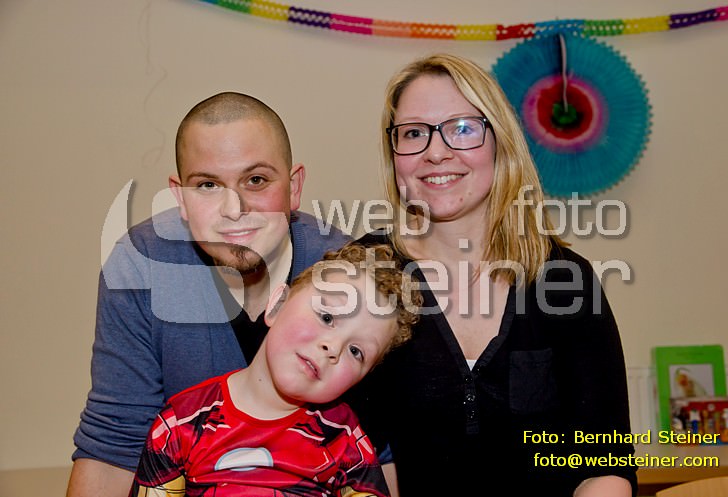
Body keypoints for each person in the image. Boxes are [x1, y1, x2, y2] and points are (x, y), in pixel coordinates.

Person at [346, 54, 636, 496]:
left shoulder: (565, 280)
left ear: (500, 142)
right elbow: (346, 452)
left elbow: (605, 466)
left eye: (462, 128)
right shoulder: (365, 275)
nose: (435, 152)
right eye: (414, 133)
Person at [67, 92, 350, 496]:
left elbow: (378, 450)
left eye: (256, 180)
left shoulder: (346, 271)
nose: (233, 209)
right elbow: (114, 445)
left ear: (293, 186)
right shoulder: (140, 265)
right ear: (181, 197)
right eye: (208, 185)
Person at [130, 243, 421, 497]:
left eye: (356, 351)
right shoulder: (181, 423)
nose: (333, 347)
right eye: (327, 317)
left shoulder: (345, 442)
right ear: (278, 305)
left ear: (361, 379)